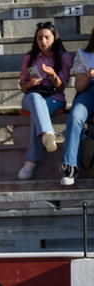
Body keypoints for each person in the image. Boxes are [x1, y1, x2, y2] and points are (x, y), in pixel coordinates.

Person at [17, 22, 73, 181]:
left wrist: (53, 75)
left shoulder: (64, 57)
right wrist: (29, 84)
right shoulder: (29, 57)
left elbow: (62, 87)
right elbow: (22, 87)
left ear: (54, 38)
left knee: (37, 113)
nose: (43, 41)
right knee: (35, 100)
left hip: (54, 97)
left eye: (47, 37)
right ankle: (48, 133)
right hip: (31, 96)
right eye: (39, 38)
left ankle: (31, 162)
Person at [62, 29, 94, 186]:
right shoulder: (85, 55)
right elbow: (79, 87)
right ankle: (70, 167)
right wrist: (88, 76)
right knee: (75, 117)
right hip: (88, 91)